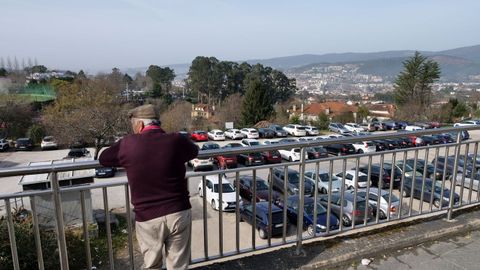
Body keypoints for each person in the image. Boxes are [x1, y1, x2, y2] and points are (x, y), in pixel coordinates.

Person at [99, 104, 198, 269]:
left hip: (148, 218)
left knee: (152, 265)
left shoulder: (127, 144)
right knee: (179, 265)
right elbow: (193, 151)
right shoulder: (176, 140)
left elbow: (104, 158)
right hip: (178, 212)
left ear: (140, 125)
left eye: (133, 126)